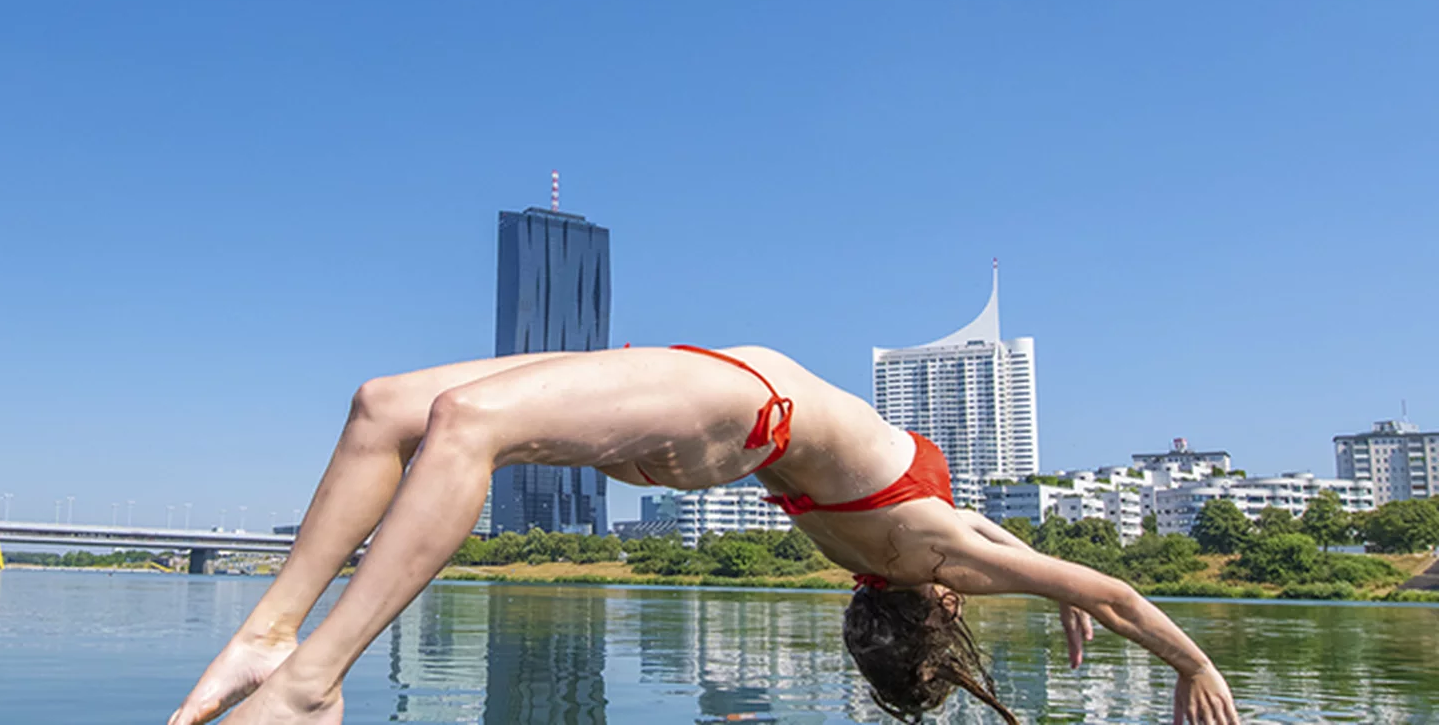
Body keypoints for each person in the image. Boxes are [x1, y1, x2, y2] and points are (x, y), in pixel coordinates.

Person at [168, 345, 1241, 725]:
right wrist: (1054, 589)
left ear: (934, 601)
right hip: (719, 404)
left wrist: (1189, 662)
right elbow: (1065, 576)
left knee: (462, 425)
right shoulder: (919, 552)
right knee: (385, 403)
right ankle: (269, 632)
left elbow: (1114, 594)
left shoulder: (926, 556)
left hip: (730, 404)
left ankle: (312, 680)